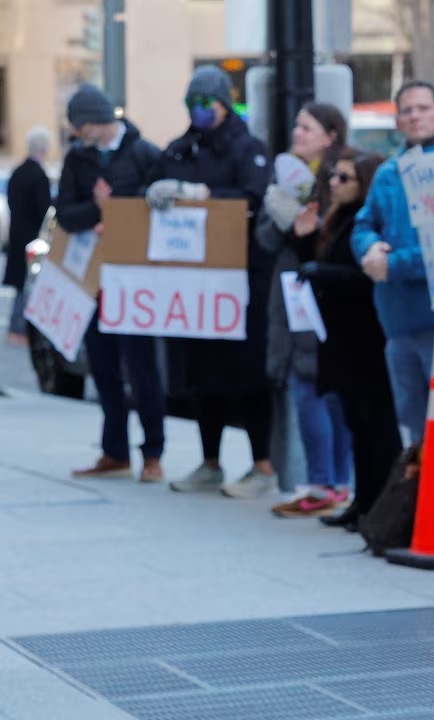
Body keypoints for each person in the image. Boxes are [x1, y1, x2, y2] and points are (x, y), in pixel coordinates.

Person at [147, 65, 277, 498]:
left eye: (206, 103)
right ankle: (210, 462)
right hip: (196, 284)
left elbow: (254, 199)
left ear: (224, 103)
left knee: (248, 373)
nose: (199, 111)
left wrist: (204, 196)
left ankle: (262, 463)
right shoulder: (182, 149)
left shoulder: (247, 148)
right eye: (193, 104)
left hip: (242, 280)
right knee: (204, 377)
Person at [351, 80, 434, 458]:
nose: (414, 116)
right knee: (414, 428)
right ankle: (422, 511)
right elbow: (364, 224)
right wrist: (369, 248)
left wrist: (391, 265)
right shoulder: (389, 172)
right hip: (397, 321)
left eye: (423, 108)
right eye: (406, 110)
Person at [283, 148, 403, 524]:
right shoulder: (339, 220)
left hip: (367, 336)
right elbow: (322, 267)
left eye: (344, 178)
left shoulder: (364, 224)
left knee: (375, 424)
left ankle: (376, 505)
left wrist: (320, 271)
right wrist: (306, 245)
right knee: (355, 422)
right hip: (340, 336)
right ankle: (361, 502)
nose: (333, 182)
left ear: (363, 182)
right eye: (334, 176)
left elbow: (360, 278)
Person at [55, 84, 167, 483]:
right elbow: (65, 215)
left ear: (92, 123)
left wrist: (118, 211)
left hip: (135, 276)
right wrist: (96, 209)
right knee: (102, 367)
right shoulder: (77, 161)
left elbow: (157, 206)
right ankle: (114, 450)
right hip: (95, 278)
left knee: (142, 368)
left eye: (79, 125)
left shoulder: (142, 153)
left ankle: (153, 452)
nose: (77, 134)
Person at [259, 103, 353, 516]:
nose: (297, 132)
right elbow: (264, 238)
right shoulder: (283, 177)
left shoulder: (340, 176)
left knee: (325, 389)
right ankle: (324, 481)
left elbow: (338, 231)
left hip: (326, 295)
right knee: (304, 384)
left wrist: (308, 226)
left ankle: (335, 482)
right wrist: (283, 215)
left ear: (331, 135)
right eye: (295, 125)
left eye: (307, 127)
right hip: (292, 297)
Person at [4, 126, 52, 347]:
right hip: (32, 237)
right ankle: (20, 327)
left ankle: (18, 326)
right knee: (28, 283)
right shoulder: (37, 175)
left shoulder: (18, 172)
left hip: (17, 235)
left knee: (24, 284)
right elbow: (45, 209)